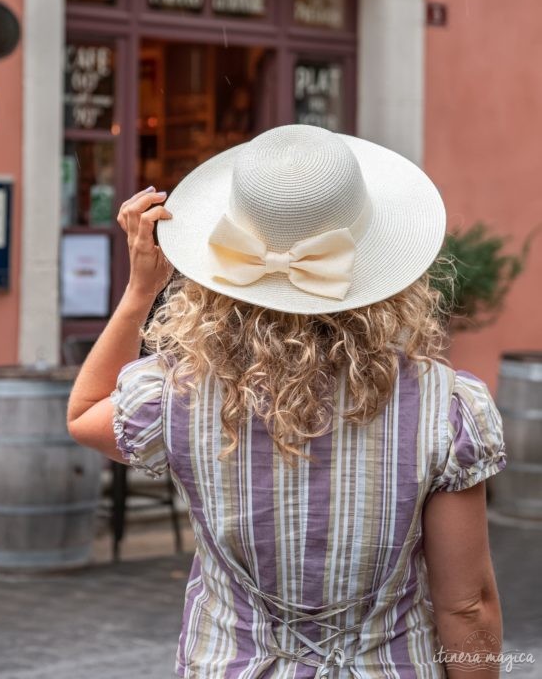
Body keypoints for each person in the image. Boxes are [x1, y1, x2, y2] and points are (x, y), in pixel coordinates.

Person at [67, 125, 507, 678]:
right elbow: (467, 605)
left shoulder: (176, 395)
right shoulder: (445, 411)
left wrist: (138, 294)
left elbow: (84, 414)